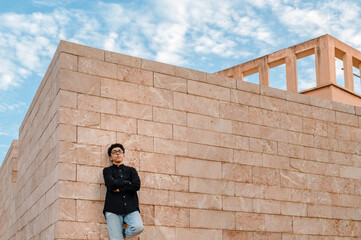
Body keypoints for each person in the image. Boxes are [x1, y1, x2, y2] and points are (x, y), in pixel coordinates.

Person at [103, 143, 144, 240]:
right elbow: (110, 184)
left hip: (131, 208)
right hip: (113, 209)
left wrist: (120, 188)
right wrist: (127, 182)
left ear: (123, 155)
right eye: (114, 152)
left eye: (119, 151)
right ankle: (118, 236)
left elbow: (136, 185)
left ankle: (123, 234)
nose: (117, 154)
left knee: (138, 227)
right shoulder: (107, 171)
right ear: (110, 157)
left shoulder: (131, 170)